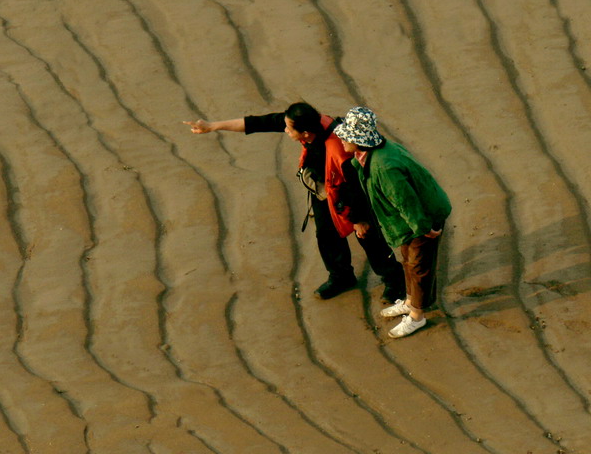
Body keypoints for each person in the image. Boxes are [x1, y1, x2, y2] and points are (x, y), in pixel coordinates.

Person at [184, 102, 405, 302]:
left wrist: (359, 220)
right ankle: (341, 277)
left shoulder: (339, 148)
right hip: (324, 190)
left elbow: (355, 187)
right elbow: (258, 123)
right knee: (327, 235)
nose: (285, 130)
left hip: (352, 194)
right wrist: (213, 126)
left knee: (369, 237)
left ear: (305, 134)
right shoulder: (306, 122)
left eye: (289, 128)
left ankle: (395, 281)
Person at [334, 107, 452, 338]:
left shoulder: (383, 167)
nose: (341, 139)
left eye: (345, 136)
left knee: (419, 266)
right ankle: (410, 301)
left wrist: (425, 228)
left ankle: (417, 315)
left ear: (358, 141)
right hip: (409, 220)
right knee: (408, 260)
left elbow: (406, 201)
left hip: (423, 219)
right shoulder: (371, 155)